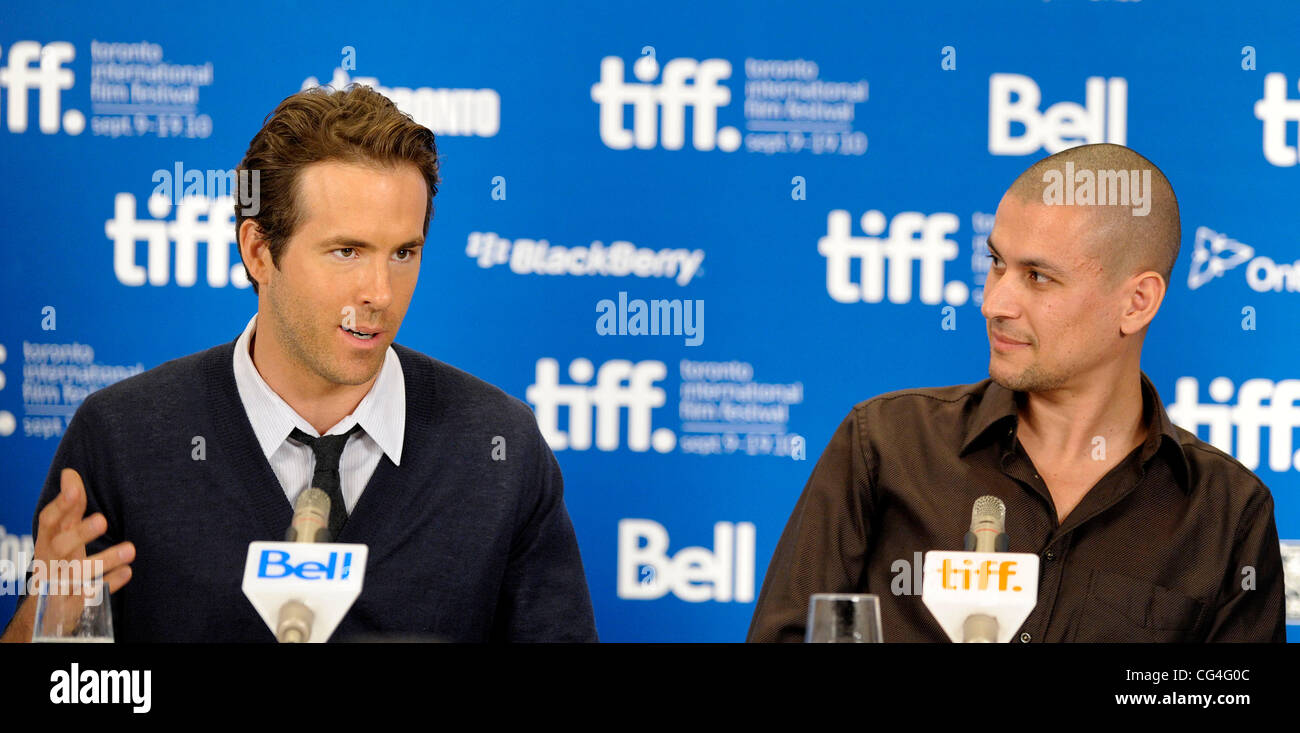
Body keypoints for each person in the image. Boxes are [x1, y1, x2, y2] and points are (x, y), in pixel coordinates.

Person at [1, 85, 597, 642]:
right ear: (259, 251)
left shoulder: (498, 447)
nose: (381, 293)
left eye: (404, 253)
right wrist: (52, 621)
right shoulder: (123, 438)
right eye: (346, 251)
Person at [748, 143, 1286, 643]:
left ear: (1137, 303)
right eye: (997, 263)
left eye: (1037, 277)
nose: (994, 303)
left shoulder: (1227, 512)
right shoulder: (885, 444)